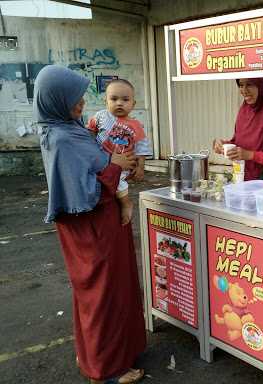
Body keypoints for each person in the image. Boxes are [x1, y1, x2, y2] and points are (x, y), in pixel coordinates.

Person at [34, 65, 146, 384]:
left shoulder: (70, 127)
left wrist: (119, 167)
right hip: (91, 228)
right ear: (55, 100)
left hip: (105, 222)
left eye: (82, 98)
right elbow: (85, 191)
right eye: (74, 100)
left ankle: (110, 352)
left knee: (116, 289)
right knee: (101, 294)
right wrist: (115, 167)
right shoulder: (61, 138)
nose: (82, 105)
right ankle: (106, 370)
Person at [88, 79, 152, 225]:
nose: (119, 103)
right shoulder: (100, 117)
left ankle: (126, 202)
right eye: (114, 99)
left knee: (118, 182)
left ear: (133, 104)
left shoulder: (135, 125)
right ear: (106, 101)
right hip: (101, 161)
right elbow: (89, 132)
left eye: (125, 99)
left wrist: (140, 167)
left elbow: (141, 147)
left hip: (123, 164)